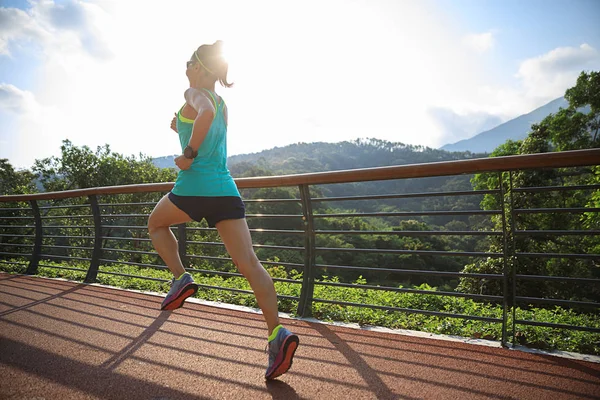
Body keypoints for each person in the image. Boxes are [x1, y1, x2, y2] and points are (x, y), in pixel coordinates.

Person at [147, 40, 299, 380]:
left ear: (200, 67)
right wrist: (181, 126)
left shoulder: (193, 94)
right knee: (250, 264)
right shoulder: (223, 102)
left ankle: (180, 277)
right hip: (225, 190)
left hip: (193, 188)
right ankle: (277, 334)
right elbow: (212, 124)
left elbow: (206, 114)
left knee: (155, 224)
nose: (185, 68)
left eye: (189, 63)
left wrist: (187, 153)